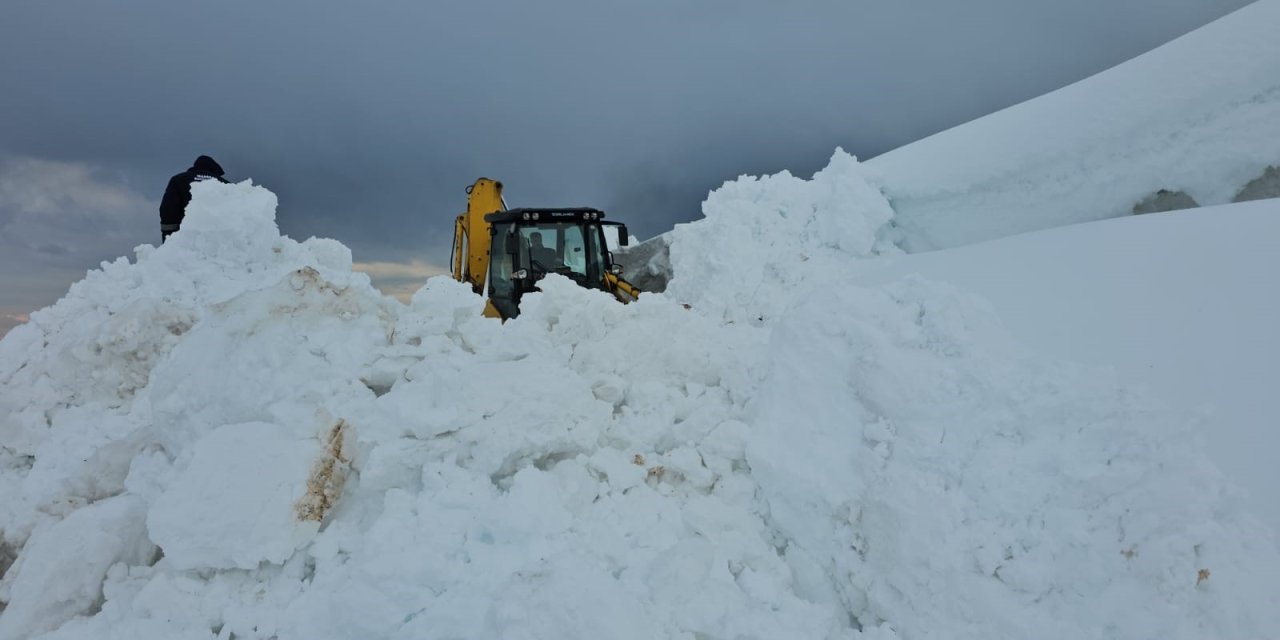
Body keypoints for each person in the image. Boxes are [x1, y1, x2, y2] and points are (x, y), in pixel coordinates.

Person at [158, 155, 227, 242]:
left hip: (185, 239)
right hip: (217, 242)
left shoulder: (178, 180)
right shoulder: (225, 184)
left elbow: (168, 209)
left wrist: (168, 237)